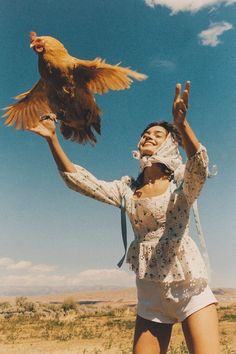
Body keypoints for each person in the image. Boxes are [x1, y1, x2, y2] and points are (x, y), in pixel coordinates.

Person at [27, 81, 220, 353]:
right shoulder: (128, 188)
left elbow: (199, 165)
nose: (148, 137)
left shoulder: (181, 183)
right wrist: (52, 140)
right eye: (145, 134)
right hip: (150, 295)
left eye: (157, 134)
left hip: (189, 290)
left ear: (171, 145)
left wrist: (182, 123)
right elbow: (81, 182)